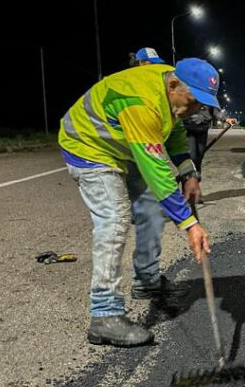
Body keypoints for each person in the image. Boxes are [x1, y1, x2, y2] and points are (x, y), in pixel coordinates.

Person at [58, 57, 216, 348]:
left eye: (201, 105)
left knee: (151, 209)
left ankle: (146, 279)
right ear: (173, 85)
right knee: (115, 217)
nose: (195, 110)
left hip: (121, 147)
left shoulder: (170, 95)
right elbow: (156, 171)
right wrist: (190, 224)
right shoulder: (141, 102)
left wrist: (189, 172)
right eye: (193, 101)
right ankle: (105, 315)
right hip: (88, 146)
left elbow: (175, 134)